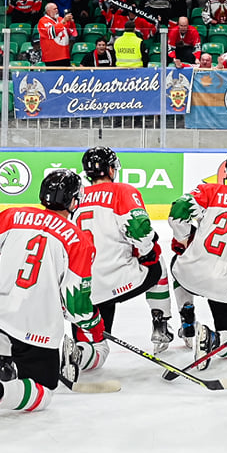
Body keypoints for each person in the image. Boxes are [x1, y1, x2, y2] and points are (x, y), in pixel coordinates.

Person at [0, 170, 104, 428]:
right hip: (35, 325)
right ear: (73, 201)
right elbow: (76, 306)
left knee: (1, 306)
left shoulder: (14, 215)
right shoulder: (79, 241)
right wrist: (94, 324)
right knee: (44, 392)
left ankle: (3, 355)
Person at [166, 149, 227, 355]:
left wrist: (182, 240)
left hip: (192, 274)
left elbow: (178, 211)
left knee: (179, 261)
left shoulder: (210, 191)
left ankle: (187, 316)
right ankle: (213, 339)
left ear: (226, 174)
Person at [76, 146, 168, 354]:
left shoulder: (75, 197)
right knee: (157, 263)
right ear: (110, 169)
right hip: (118, 279)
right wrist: (147, 251)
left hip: (81, 288)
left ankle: (80, 355)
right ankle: (160, 323)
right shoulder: (123, 191)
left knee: (95, 349)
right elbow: (139, 229)